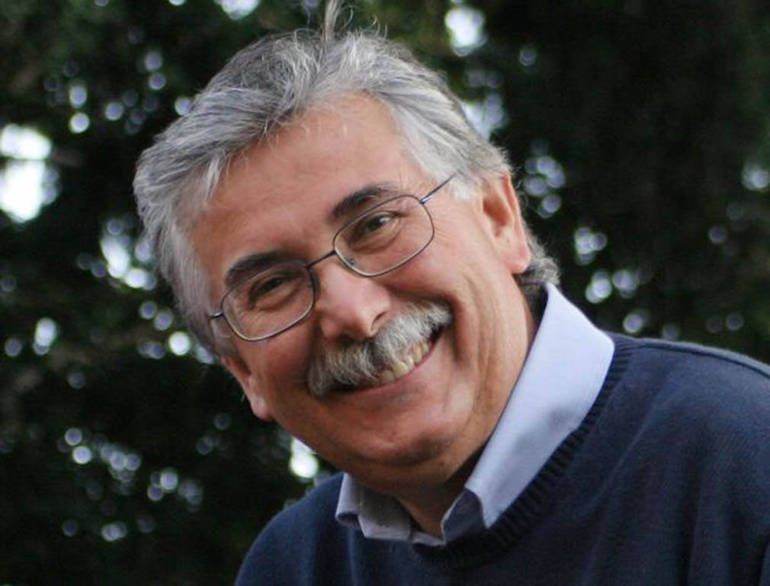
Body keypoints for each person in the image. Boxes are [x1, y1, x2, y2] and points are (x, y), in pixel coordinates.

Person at [133, 2, 770, 584]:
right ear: (243, 371)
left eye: (377, 225)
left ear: (499, 218)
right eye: (272, 286)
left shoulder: (745, 465)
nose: (354, 313)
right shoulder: (294, 569)